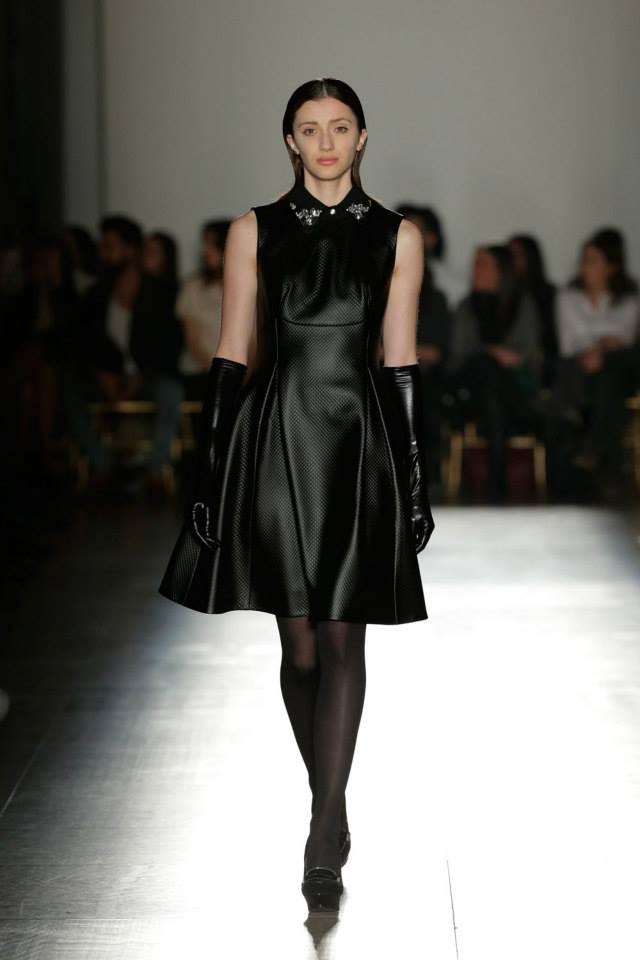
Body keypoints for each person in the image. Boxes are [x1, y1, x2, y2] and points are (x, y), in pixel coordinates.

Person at [158, 77, 435, 913]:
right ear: (289, 140)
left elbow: (399, 359)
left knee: (345, 638)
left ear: (362, 137)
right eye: (309, 129)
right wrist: (211, 467)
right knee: (301, 649)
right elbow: (232, 350)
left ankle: (321, 829)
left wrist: (413, 476)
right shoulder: (254, 229)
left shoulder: (397, 235)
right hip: (276, 440)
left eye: (339, 127)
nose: (325, 142)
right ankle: (333, 799)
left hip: (358, 443)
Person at [61, 215, 183, 498]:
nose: (103, 253)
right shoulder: (97, 294)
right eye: (102, 246)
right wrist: (103, 375)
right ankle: (103, 467)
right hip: (107, 377)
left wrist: (140, 378)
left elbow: (167, 344)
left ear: (130, 250)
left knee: (171, 392)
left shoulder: (159, 292)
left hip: (148, 377)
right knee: (68, 392)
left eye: (110, 247)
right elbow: (85, 342)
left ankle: (156, 471)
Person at [546, 228, 639, 498]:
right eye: (584, 260)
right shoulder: (568, 297)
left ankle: (593, 451)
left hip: (611, 368)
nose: (585, 267)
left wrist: (599, 349)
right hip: (578, 368)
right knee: (610, 380)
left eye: (593, 260)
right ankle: (603, 458)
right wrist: (604, 345)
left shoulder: (628, 300)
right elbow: (570, 342)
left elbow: (625, 337)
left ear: (611, 267)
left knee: (611, 373)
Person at [447, 244, 542, 501]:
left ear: (501, 271)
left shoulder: (521, 304)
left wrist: (500, 358)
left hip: (513, 383)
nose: (476, 269)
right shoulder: (467, 306)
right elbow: (458, 353)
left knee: (492, 388)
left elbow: (528, 354)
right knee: (485, 368)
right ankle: (525, 420)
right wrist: (492, 353)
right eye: (475, 263)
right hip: (474, 389)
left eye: (483, 264)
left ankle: (495, 480)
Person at [175, 220, 229, 401]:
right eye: (204, 244)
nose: (205, 251)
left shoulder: (249, 286)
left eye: (212, 244)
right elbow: (192, 342)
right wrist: (219, 371)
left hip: (238, 373)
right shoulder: (192, 287)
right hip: (200, 373)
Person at [507, 233, 558, 388]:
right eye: (508, 256)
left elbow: (555, 336)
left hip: (540, 357)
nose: (511, 261)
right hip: (509, 356)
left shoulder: (550, 294)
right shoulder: (504, 294)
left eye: (517, 256)